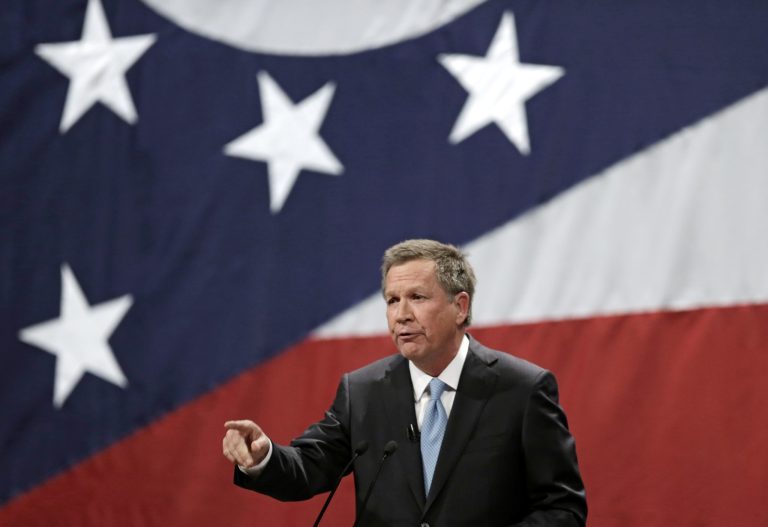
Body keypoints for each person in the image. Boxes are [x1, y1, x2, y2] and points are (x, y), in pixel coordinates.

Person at [222, 239, 587, 526]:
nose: (401, 315)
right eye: (392, 300)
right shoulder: (363, 391)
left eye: (417, 297)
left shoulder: (522, 389)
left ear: (460, 306)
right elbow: (308, 467)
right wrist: (263, 456)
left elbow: (562, 507)